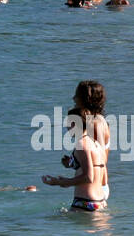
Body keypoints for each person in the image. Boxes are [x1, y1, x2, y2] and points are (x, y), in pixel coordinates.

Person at [41, 82, 110, 212]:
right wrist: (74, 162)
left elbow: (99, 161)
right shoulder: (96, 122)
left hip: (94, 187)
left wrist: (62, 182)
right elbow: (96, 156)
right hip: (98, 189)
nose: (73, 99)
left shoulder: (94, 123)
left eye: (76, 95)